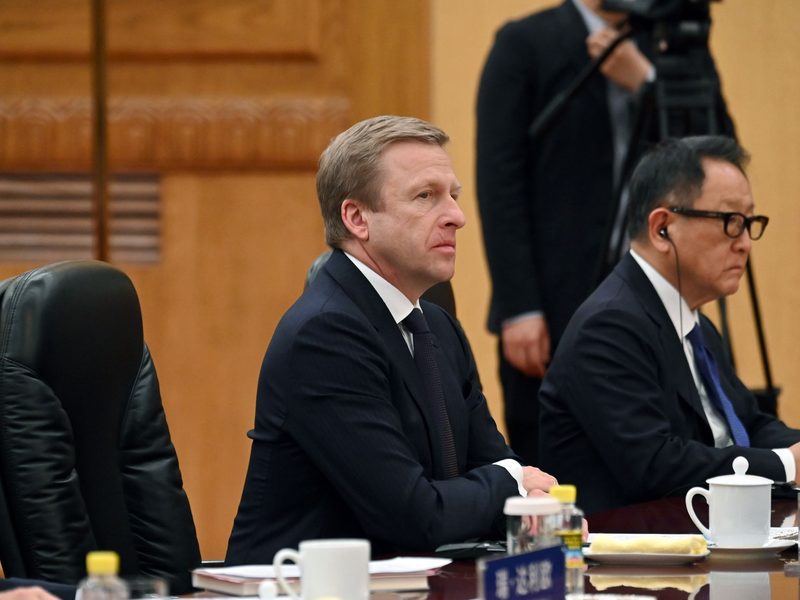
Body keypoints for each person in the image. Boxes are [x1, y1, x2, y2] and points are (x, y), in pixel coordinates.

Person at [225, 116, 557, 564]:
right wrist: (513, 484)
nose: (457, 217)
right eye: (427, 196)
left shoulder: (438, 327)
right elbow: (416, 516)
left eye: (454, 197)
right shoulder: (326, 335)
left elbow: (495, 469)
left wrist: (524, 496)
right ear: (357, 218)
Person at [476, 0, 735, 465]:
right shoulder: (525, 43)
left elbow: (720, 152)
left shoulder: (671, 42)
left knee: (656, 448)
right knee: (548, 464)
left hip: (652, 283)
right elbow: (499, 182)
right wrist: (520, 306)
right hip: (551, 296)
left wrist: (649, 84)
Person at [538, 136, 800, 514]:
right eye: (731, 221)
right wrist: (787, 465)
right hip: (628, 560)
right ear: (663, 228)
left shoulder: (696, 326)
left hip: (704, 536)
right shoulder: (609, 327)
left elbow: (750, 424)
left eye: (749, 223)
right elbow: (656, 464)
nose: (745, 243)